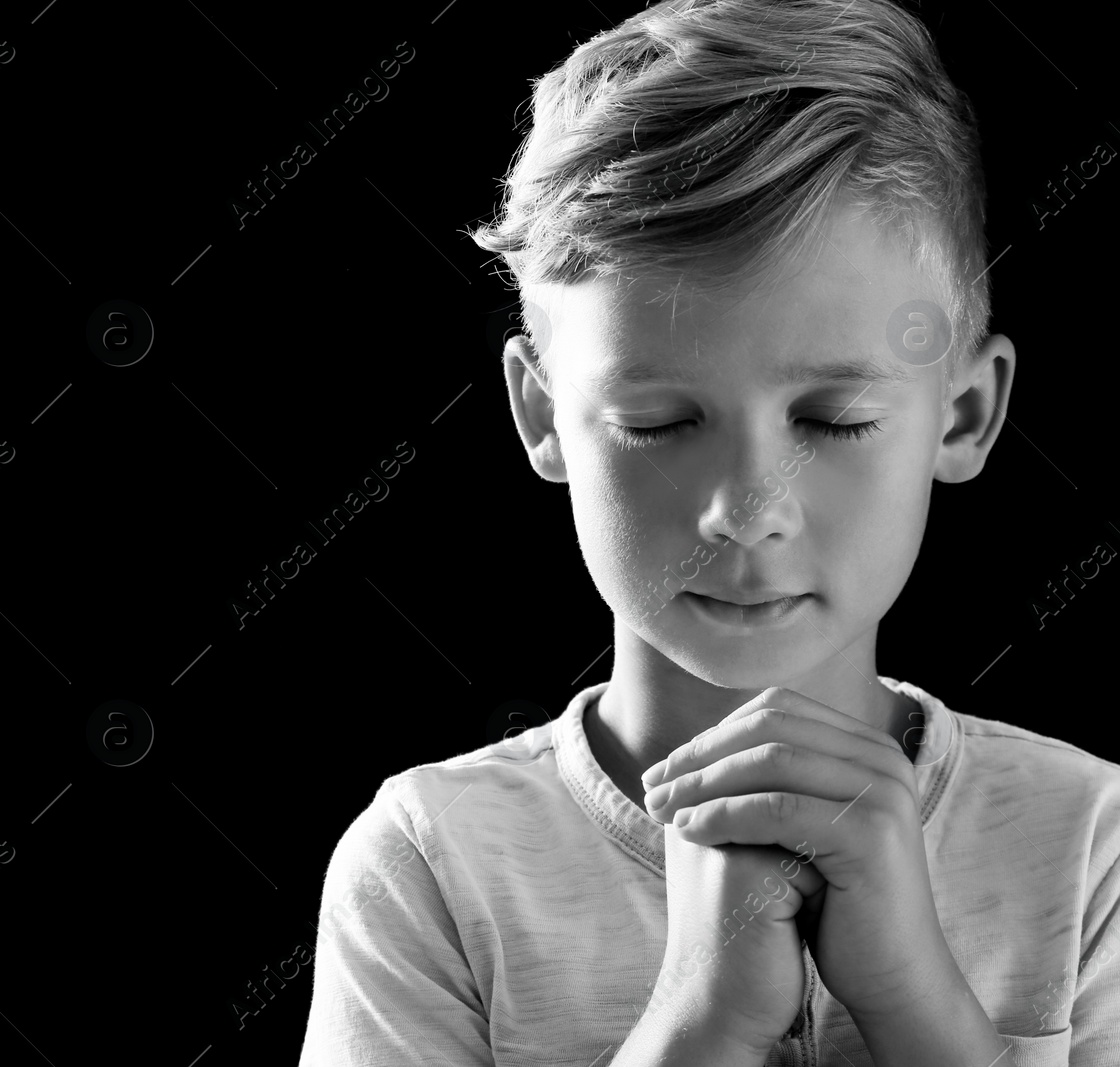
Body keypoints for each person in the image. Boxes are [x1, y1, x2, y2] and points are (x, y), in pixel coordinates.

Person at [296, 1, 1120, 1064]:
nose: (745, 506)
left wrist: (917, 999)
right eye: (658, 422)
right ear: (543, 414)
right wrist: (701, 1017)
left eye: (832, 420)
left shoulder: (1090, 844)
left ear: (960, 414)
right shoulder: (431, 864)